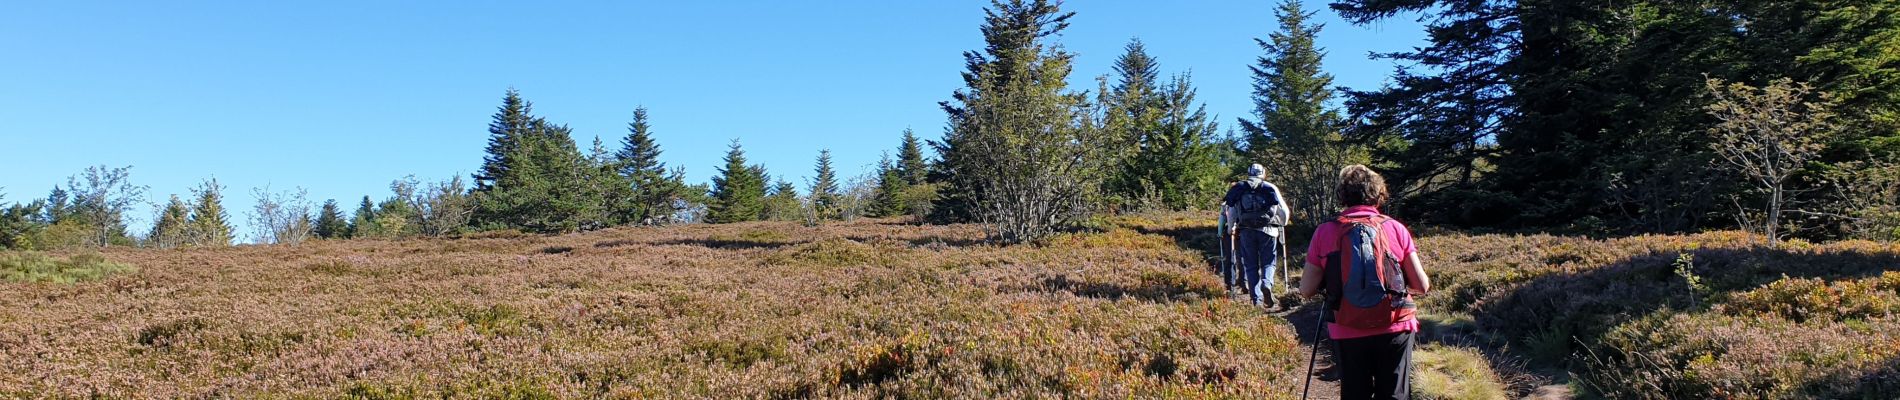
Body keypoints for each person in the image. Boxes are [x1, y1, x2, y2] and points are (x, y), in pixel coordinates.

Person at [1299, 164, 1431, 400]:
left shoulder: (1325, 231)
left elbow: (1306, 290)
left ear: (1342, 194)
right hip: (1395, 326)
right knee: (1394, 394)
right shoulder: (1395, 228)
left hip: (1346, 326)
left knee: (1354, 393)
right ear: (1377, 192)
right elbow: (1422, 285)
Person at [1221, 163, 1290, 308]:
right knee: (1268, 262)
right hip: (1268, 230)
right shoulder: (1270, 187)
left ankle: (1256, 299)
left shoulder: (1240, 188)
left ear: (1249, 173)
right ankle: (1266, 283)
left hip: (1246, 230)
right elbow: (1282, 210)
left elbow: (1232, 211)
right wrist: (1282, 223)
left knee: (1250, 265)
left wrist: (1230, 229)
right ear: (1263, 173)